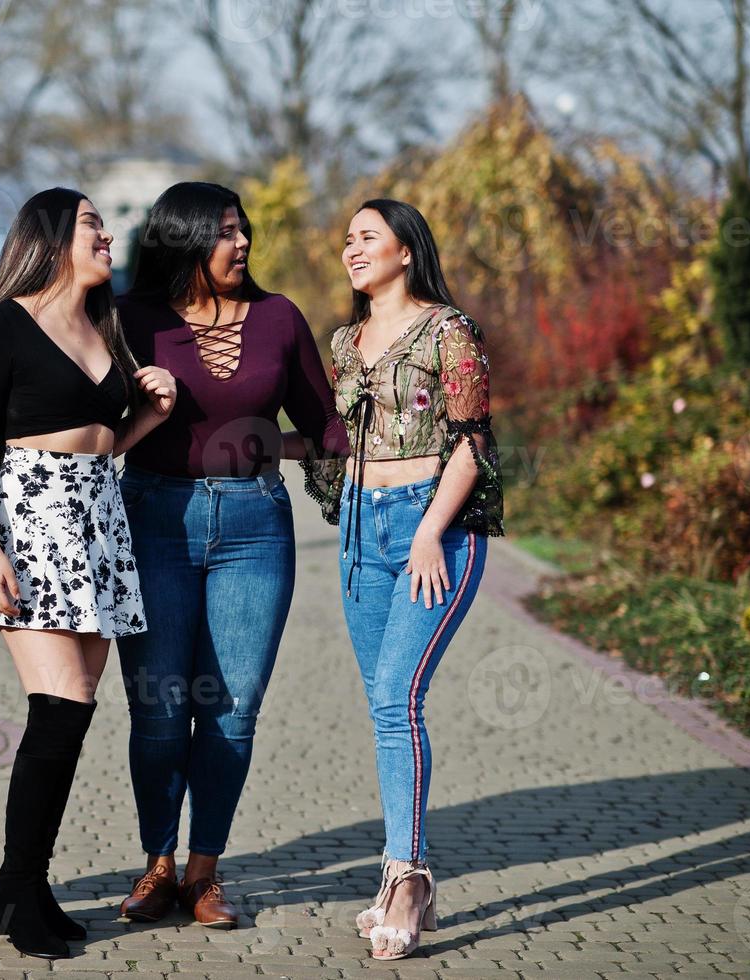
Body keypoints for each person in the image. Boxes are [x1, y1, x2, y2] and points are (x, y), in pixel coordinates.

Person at [113, 181, 349, 928]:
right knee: (158, 712)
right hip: (153, 517)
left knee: (231, 713)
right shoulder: (133, 321)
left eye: (242, 229)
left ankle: (203, 873)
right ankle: (155, 864)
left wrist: (262, 443)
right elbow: (87, 418)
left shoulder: (279, 318)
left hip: (253, 528)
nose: (241, 242)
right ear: (181, 239)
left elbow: (325, 429)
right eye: (223, 232)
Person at [0, 187, 177, 959]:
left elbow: (105, 443)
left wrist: (147, 414)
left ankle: (18, 885)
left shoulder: (102, 326)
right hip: (30, 519)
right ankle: (20, 889)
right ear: (49, 237)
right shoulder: (5, 326)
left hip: (98, 521)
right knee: (59, 704)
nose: (106, 234)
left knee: (74, 713)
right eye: (90, 222)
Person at [321, 198, 505, 960]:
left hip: (434, 530)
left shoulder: (447, 330)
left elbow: (473, 439)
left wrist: (431, 529)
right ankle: (401, 868)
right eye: (346, 240)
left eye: (366, 237)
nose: (350, 250)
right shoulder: (344, 340)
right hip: (361, 530)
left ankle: (407, 876)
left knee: (398, 696)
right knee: (381, 706)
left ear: (405, 250)